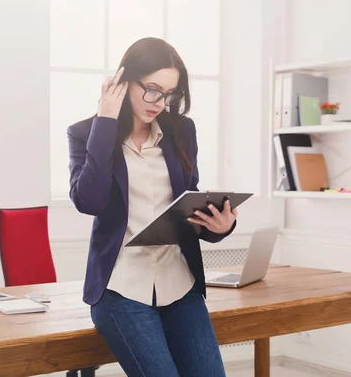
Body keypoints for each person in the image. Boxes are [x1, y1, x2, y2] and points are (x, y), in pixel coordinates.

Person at [66, 37, 237, 376]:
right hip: (121, 289)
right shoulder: (86, 133)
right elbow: (90, 201)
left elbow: (188, 203)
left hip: (180, 283)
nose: (161, 102)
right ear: (125, 80)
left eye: (170, 94)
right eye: (153, 90)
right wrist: (106, 121)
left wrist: (220, 226)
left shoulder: (182, 131)